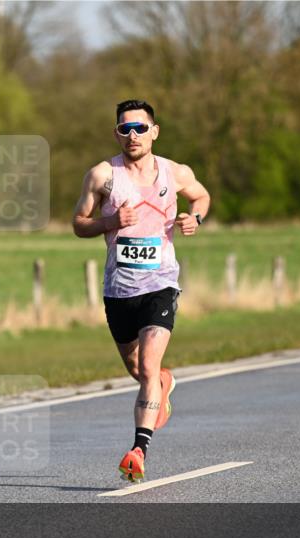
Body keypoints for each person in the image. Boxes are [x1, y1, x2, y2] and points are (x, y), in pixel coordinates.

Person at [71, 99, 211, 482]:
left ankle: (138, 450)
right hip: (119, 289)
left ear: (155, 131)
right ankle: (163, 384)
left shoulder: (175, 172)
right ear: (116, 133)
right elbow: (78, 223)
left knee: (148, 365)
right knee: (138, 370)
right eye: (124, 129)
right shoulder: (102, 176)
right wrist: (111, 221)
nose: (132, 136)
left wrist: (194, 218)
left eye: (139, 128)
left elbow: (201, 196)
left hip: (160, 284)